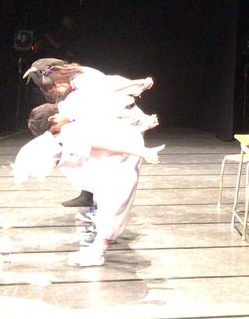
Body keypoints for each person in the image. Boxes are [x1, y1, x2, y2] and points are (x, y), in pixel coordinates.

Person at [15, 96, 162, 266]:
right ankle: (99, 245)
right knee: (110, 205)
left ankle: (98, 250)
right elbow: (110, 124)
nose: (56, 133)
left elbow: (100, 142)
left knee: (113, 206)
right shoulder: (73, 114)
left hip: (121, 160)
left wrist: (141, 150)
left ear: (53, 119)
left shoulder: (70, 128)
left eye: (54, 131)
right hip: (122, 152)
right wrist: (142, 124)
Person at [21, 58, 155, 208]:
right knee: (88, 155)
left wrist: (137, 84)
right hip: (112, 117)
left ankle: (104, 206)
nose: (54, 91)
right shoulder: (71, 86)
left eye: (54, 87)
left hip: (123, 117)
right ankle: (90, 197)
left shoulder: (84, 80)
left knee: (109, 165)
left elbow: (109, 94)